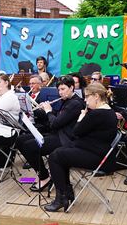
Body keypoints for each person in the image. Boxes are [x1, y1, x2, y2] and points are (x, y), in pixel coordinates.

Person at [45, 83, 118, 212]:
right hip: (97, 152)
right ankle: (66, 193)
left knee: (55, 156)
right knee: (60, 153)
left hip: (96, 157)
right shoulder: (109, 111)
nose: (85, 100)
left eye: (87, 97)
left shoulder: (97, 114)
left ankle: (61, 197)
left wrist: (81, 117)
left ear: (96, 96)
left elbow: (76, 132)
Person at [17, 75, 85, 192]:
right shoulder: (67, 101)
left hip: (65, 139)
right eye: (58, 90)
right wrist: (46, 111)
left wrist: (49, 111)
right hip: (57, 133)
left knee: (29, 146)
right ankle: (44, 174)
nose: (60, 92)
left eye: (63, 89)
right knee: (20, 140)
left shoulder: (76, 103)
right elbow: (59, 118)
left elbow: (56, 123)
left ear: (72, 88)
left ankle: (44, 177)